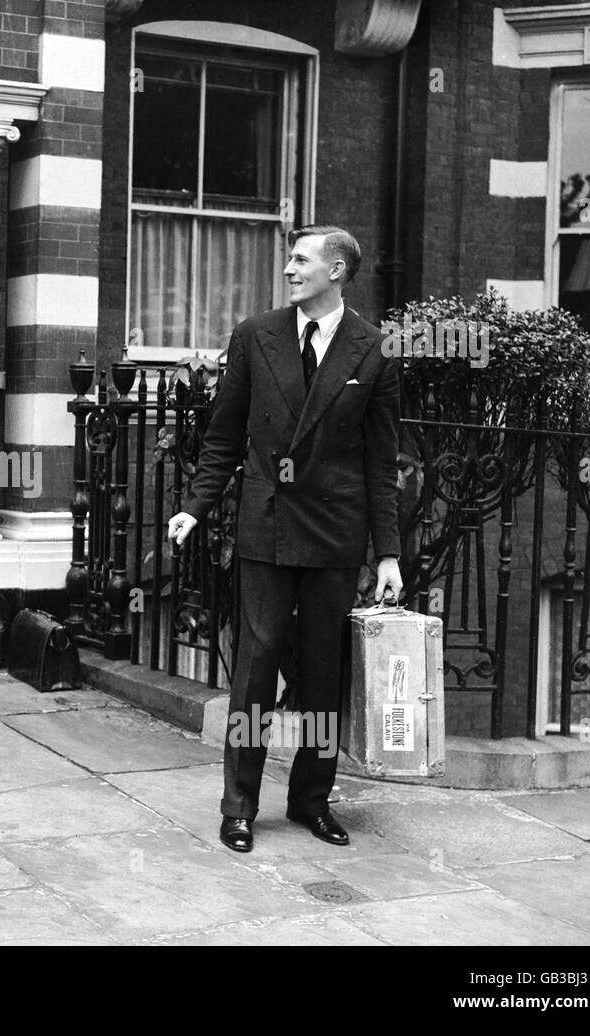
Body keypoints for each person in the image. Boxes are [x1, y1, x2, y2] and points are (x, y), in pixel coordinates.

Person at [167, 225, 405, 853]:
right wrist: (196, 505)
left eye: (301, 260)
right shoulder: (256, 336)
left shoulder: (373, 349)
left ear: (337, 271)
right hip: (267, 525)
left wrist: (388, 553)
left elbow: (382, 462)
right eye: (290, 259)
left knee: (323, 676)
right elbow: (225, 435)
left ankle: (311, 801)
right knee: (255, 670)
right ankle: (239, 805)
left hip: (334, 532)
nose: (289, 269)